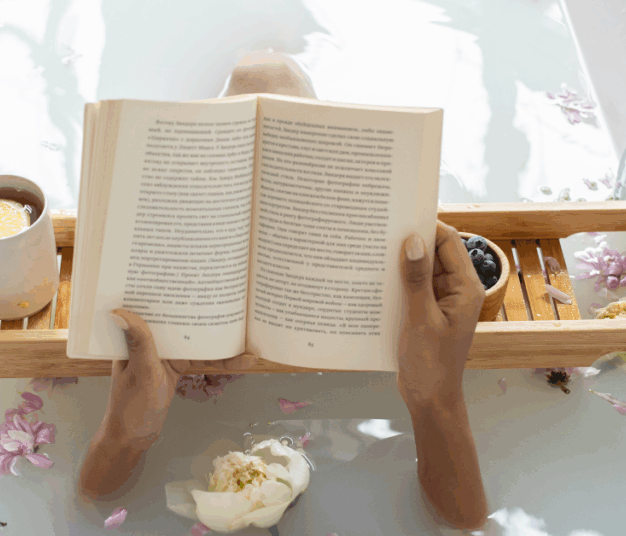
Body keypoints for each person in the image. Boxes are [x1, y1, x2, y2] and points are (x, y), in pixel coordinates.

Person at [78, 54, 488, 531]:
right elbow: (87, 507)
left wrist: (436, 399)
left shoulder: (405, 322)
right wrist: (125, 436)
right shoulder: (157, 331)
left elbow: (466, 528)